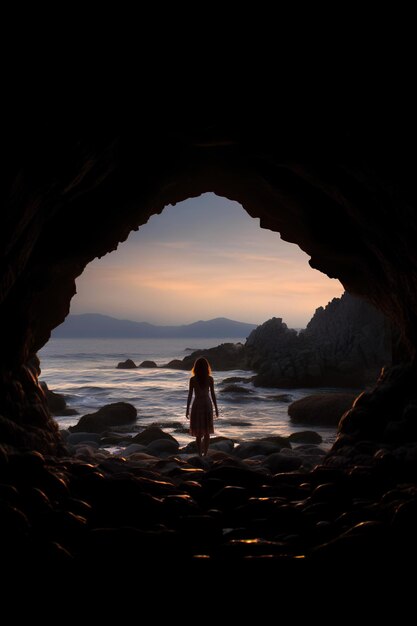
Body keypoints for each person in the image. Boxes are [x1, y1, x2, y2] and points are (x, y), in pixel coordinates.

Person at [186, 357, 219, 456]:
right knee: (207, 431)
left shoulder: (193, 379)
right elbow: (213, 394)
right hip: (207, 404)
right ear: (206, 367)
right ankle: (206, 453)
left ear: (195, 367)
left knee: (198, 432)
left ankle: (200, 454)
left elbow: (190, 395)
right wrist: (216, 408)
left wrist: (187, 409)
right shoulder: (210, 379)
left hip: (197, 405)